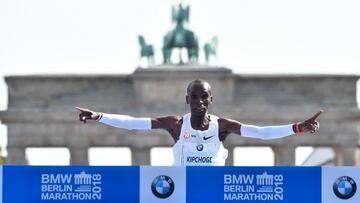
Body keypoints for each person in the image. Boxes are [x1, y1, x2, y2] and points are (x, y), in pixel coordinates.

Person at [76, 79, 322, 166]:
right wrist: (99, 116)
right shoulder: (175, 124)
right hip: (180, 192)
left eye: (204, 96)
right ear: (187, 99)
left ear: (211, 99)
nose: (199, 101)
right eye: (194, 96)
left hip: (212, 192)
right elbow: (133, 124)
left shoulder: (222, 126)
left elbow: (261, 133)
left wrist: (298, 128)